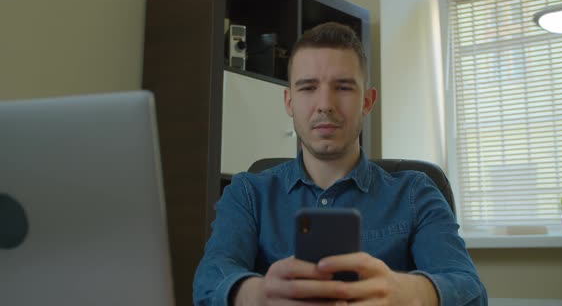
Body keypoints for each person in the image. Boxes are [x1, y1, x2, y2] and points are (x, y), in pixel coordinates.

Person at [193, 22, 487, 306]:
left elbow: (470, 289)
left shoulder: (416, 192)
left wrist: (413, 293)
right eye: (308, 88)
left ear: (367, 102)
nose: (325, 104)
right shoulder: (247, 193)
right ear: (289, 102)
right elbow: (209, 279)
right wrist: (256, 295)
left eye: (343, 88)